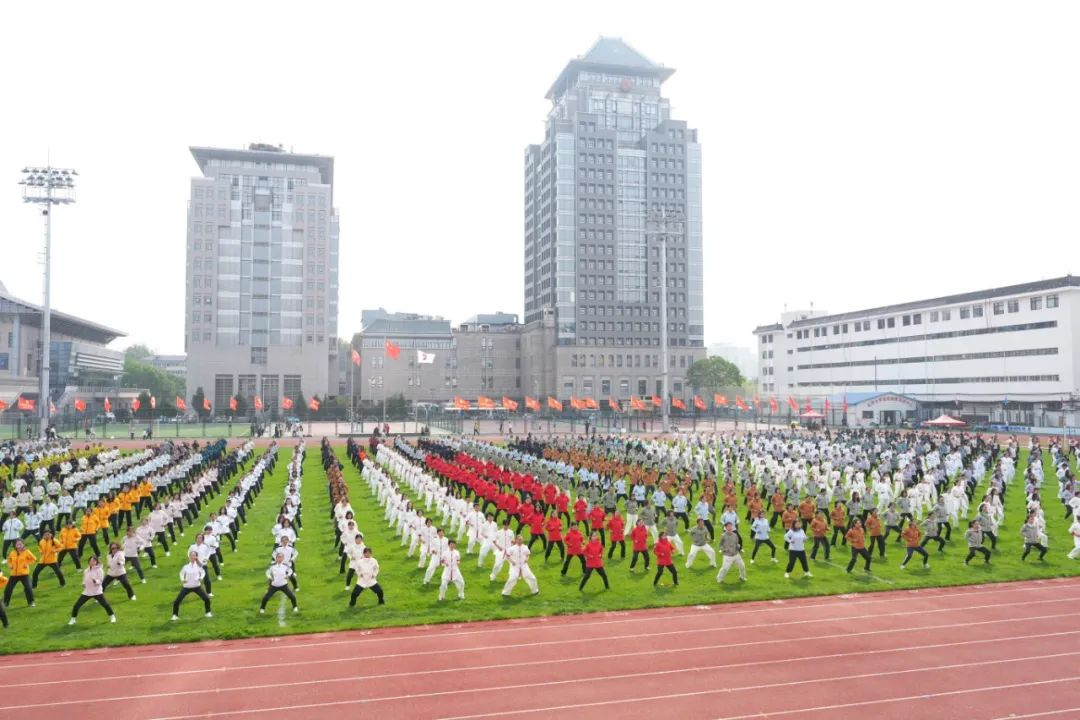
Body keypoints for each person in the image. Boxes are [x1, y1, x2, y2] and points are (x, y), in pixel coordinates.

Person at [68, 556, 116, 625]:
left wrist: (95, 581)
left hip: (97, 592)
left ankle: (112, 617)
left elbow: (100, 580)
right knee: (76, 605)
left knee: (105, 605)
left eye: (93, 561)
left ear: (96, 562)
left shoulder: (99, 570)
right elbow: (84, 579)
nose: (92, 562)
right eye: (90, 561)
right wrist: (84, 584)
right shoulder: (86, 570)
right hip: (87, 592)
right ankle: (73, 619)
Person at [172, 551, 212, 620]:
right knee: (177, 601)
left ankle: (208, 613)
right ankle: (175, 615)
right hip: (186, 587)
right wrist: (183, 579)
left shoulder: (199, 566)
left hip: (197, 587)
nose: (192, 557)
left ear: (196, 557)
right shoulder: (185, 567)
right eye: (191, 555)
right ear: (189, 557)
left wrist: (200, 578)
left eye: (194, 555)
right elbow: (181, 573)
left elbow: (203, 572)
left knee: (207, 599)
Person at [3, 539, 35, 607]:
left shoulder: (26, 552)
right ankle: (6, 603)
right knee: (8, 589)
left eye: (20, 544)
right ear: (15, 545)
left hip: (24, 574)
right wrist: (10, 565)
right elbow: (9, 560)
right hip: (14, 575)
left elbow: (33, 559)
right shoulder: (12, 552)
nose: (19, 546)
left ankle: (31, 602)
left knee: (28, 588)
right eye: (17, 544)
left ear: (23, 544)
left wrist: (26, 564)